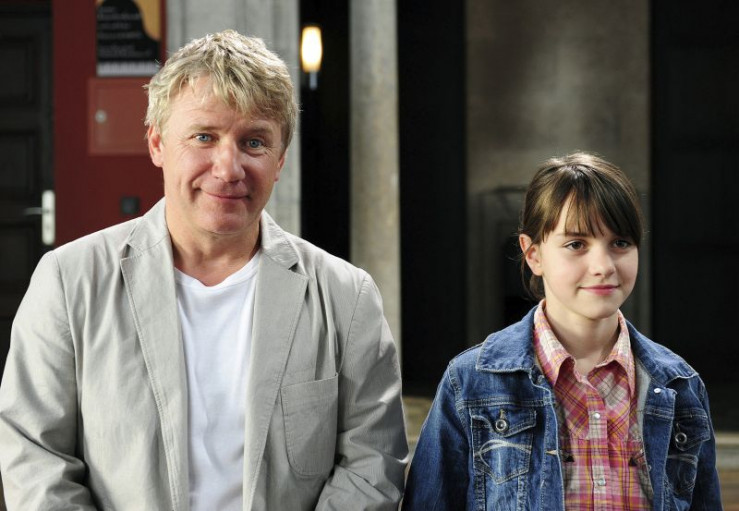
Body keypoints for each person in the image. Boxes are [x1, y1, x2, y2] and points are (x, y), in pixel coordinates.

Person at [0, 30, 408, 510]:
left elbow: (373, 462)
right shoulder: (69, 282)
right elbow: (35, 456)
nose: (228, 168)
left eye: (253, 142)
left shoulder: (345, 297)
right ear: (157, 144)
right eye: (204, 137)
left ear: (279, 161)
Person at [402, 153, 722, 510]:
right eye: (576, 244)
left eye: (620, 243)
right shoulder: (470, 382)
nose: (602, 266)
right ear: (533, 254)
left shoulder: (681, 386)